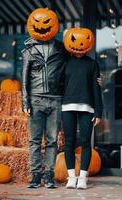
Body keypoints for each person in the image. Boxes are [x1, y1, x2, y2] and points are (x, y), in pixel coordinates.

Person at [21, 8, 65, 189]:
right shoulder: (28, 51)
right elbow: (24, 78)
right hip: (36, 99)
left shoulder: (62, 49)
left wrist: (94, 75)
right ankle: (35, 175)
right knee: (35, 140)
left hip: (55, 99)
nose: (42, 26)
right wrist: (25, 101)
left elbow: (75, 67)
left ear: (54, 25)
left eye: (47, 22)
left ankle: (49, 175)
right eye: (38, 22)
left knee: (53, 140)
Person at [62, 27, 103, 189]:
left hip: (87, 107)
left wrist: (98, 111)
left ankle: (83, 177)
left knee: (86, 142)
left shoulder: (92, 65)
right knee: (69, 142)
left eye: (83, 39)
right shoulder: (65, 62)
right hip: (67, 107)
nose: (79, 43)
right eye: (74, 40)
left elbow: (96, 89)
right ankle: (71, 176)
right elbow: (59, 84)